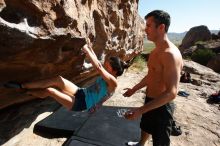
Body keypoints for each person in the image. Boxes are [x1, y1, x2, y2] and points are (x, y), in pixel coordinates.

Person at [5, 44, 126, 112]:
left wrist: (86, 49)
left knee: (50, 91)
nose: (105, 65)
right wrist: (89, 47)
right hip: (81, 93)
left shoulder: (113, 83)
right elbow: (99, 63)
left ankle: (29, 92)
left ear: (114, 70)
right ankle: (22, 85)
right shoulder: (108, 74)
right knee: (58, 79)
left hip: (82, 104)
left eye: (108, 65)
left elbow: (98, 67)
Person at [123, 10, 183, 146]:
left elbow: (171, 93)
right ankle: (141, 144)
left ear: (161, 27)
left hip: (162, 106)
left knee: (160, 140)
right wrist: (134, 89)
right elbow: (152, 75)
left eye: (149, 25)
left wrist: (140, 110)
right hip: (150, 99)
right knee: (146, 126)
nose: (145, 29)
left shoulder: (170, 55)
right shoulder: (156, 50)